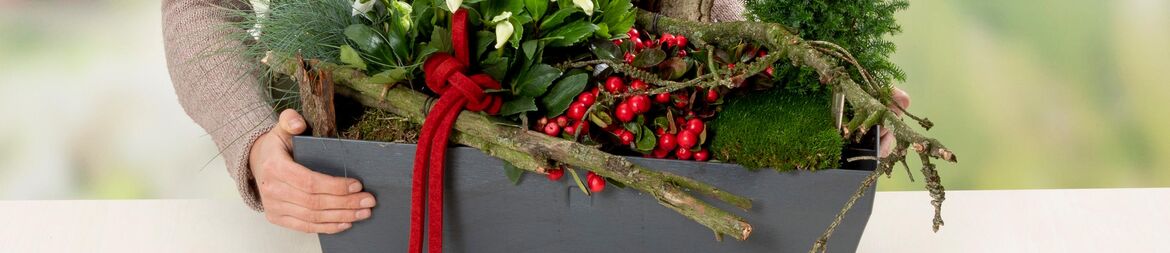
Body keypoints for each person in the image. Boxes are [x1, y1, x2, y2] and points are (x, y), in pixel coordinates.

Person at [162, 0, 907, 235]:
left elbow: (702, 15)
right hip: (403, 162)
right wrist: (253, 138)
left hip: (618, 151)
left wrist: (818, 87)